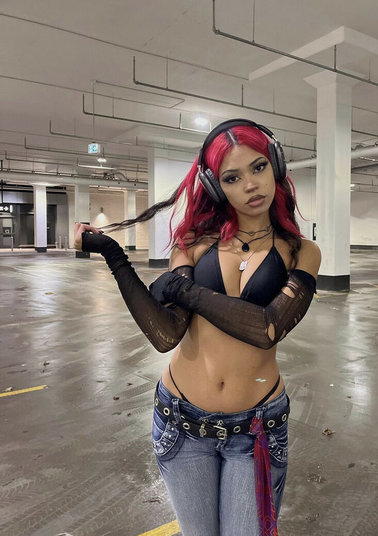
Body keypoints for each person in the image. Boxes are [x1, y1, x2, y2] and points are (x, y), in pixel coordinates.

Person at [74, 119, 321, 536]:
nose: (251, 185)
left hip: (256, 430)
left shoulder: (301, 252)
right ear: (215, 186)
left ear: (276, 166)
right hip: (180, 422)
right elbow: (166, 334)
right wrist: (113, 254)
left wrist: (184, 290)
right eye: (232, 177)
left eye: (259, 167)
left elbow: (268, 328)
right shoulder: (193, 244)